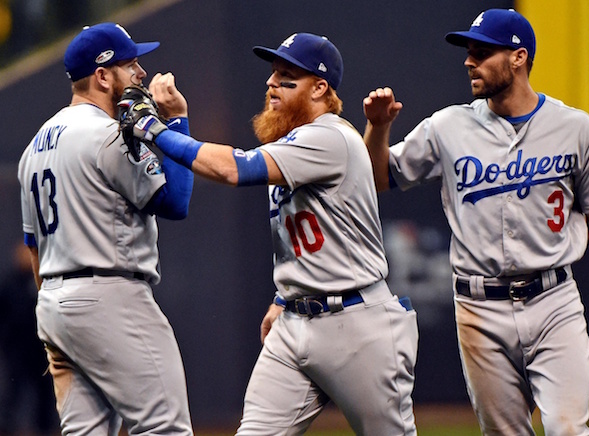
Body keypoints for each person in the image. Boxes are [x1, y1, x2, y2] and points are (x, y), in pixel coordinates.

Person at [119, 32, 419, 435]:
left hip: (357, 324)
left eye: (285, 75)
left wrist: (155, 130)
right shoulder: (293, 140)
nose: (270, 83)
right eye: (273, 73)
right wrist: (285, 295)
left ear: (319, 87)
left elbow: (233, 169)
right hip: (295, 322)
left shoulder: (330, 135)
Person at [362, 8, 589, 436]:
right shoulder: (447, 126)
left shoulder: (575, 128)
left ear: (518, 57)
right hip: (478, 308)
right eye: (469, 51)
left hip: (554, 303)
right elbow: (379, 178)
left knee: (568, 430)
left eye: (482, 51)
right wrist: (378, 129)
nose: (469, 60)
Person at [17, 22, 195, 435]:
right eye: (130, 64)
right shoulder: (107, 135)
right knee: (165, 427)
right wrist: (177, 121)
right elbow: (174, 202)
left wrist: (56, 311)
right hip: (110, 297)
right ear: (102, 75)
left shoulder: (35, 145)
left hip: (56, 305)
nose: (141, 74)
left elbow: (33, 247)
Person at [0, 241, 57, 436]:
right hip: (17, 349)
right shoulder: (10, 283)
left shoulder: (44, 283)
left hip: (40, 349)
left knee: (44, 394)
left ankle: (45, 428)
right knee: (14, 390)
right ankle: (6, 426)